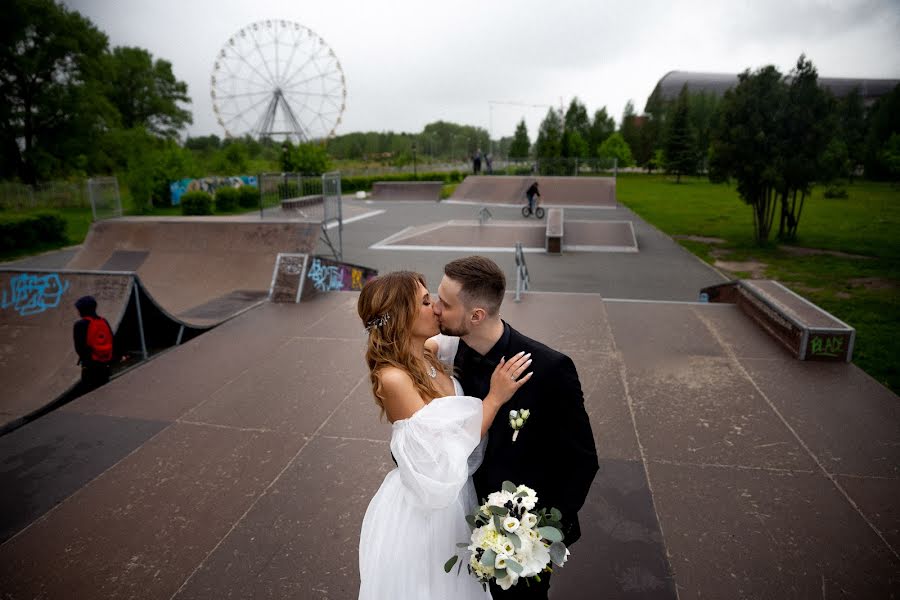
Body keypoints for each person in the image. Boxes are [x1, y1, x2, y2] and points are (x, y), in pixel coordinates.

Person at [357, 271, 534, 600]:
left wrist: (474, 309)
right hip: (426, 507)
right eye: (425, 302)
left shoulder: (427, 352)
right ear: (400, 317)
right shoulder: (394, 378)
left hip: (454, 496)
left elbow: (468, 326)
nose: (436, 307)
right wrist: (494, 399)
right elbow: (447, 450)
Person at [434, 256, 599, 600]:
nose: (435, 309)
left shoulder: (550, 368)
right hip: (457, 532)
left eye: (445, 304)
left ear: (476, 315)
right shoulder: (445, 359)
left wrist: (538, 535)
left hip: (522, 543)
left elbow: (581, 460)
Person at [72, 295, 115, 396]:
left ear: (81, 310)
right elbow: (112, 340)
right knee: (104, 392)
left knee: (90, 394)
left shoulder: (80, 325)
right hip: (105, 364)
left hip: (90, 366)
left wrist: (86, 359)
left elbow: (79, 347)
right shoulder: (103, 321)